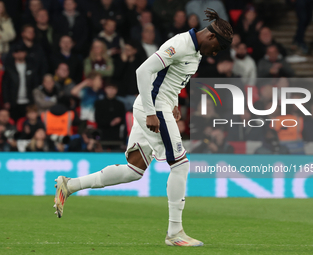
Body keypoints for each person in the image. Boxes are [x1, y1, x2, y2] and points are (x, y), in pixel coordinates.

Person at [53, 8, 233, 247]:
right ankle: (175, 233)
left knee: (133, 170)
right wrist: (151, 112)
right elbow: (143, 71)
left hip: (161, 107)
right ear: (211, 37)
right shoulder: (179, 44)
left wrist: (175, 103)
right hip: (154, 109)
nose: (215, 53)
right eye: (217, 48)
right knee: (181, 165)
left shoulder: (196, 51)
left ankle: (70, 185)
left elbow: (172, 78)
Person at [2, 44, 39, 121]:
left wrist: (34, 100)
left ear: (25, 53)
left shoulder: (31, 66)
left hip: (28, 101)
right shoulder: (9, 68)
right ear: (13, 54)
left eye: (22, 51)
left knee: (28, 122)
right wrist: (6, 101)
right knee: (14, 122)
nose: (19, 53)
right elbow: (5, 86)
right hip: (13, 101)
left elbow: (35, 84)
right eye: (17, 52)